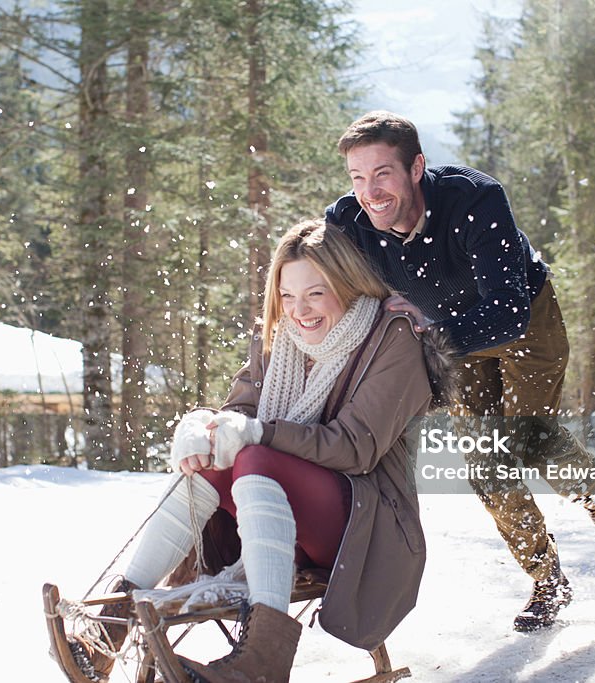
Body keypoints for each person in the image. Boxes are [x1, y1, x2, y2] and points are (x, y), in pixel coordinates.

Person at [61, 219, 454, 683]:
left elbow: (355, 449)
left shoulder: (391, 339)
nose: (299, 310)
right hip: (275, 517)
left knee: (254, 455)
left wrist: (253, 434)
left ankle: (262, 657)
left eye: (315, 293)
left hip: (363, 527)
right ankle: (113, 627)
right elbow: (239, 414)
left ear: (346, 284)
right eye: (287, 296)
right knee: (214, 463)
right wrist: (201, 430)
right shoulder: (279, 338)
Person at [325, 111, 595, 632]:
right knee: (487, 465)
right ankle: (548, 582)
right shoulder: (349, 221)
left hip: (524, 320)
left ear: (417, 167)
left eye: (382, 173)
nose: (370, 191)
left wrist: (429, 327)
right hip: (453, 338)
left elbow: (508, 312)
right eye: (358, 177)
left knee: (531, 438)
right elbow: (312, 265)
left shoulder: (475, 199)